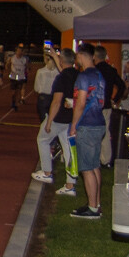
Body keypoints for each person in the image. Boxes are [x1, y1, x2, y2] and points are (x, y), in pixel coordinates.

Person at [69, 44, 107, 219]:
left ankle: (92, 208)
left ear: (80, 55)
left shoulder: (83, 76)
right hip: (98, 123)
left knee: (86, 168)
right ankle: (96, 203)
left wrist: (74, 125)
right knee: (94, 165)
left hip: (87, 124)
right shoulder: (99, 75)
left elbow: (81, 103)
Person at [32, 47, 78, 193]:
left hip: (59, 117)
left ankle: (47, 172)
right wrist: (55, 56)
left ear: (62, 61)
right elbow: (64, 69)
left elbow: (56, 101)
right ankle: (70, 183)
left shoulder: (61, 77)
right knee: (67, 147)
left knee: (42, 139)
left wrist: (50, 121)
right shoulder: (77, 74)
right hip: (70, 117)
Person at [93, 45, 125, 167]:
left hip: (95, 105)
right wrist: (114, 100)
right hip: (106, 105)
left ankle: (95, 158)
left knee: (93, 132)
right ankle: (106, 160)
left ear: (95, 56)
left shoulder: (94, 70)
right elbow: (122, 86)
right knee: (105, 132)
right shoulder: (111, 70)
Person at [7, 44, 30, 110]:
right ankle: (13, 101)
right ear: (16, 51)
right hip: (13, 77)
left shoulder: (24, 59)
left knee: (18, 89)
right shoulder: (12, 58)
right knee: (13, 92)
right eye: (18, 51)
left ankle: (17, 101)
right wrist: (9, 69)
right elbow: (8, 64)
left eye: (21, 51)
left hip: (21, 77)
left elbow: (27, 66)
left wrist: (27, 70)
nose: (19, 52)